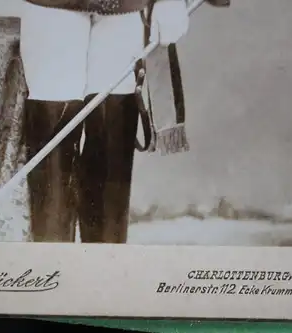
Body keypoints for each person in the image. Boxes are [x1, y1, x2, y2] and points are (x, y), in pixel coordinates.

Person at [19, 0, 227, 243]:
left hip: (124, 9)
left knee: (112, 139)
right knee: (52, 144)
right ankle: (52, 272)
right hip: (52, 7)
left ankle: (106, 268)